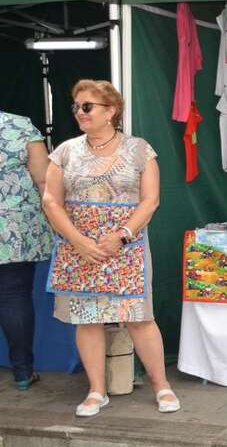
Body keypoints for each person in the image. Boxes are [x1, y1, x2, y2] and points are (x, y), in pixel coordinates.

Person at [42, 80, 180, 417]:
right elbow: (50, 200)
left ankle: (162, 386)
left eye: (87, 106)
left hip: (126, 248)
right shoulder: (65, 152)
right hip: (79, 249)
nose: (80, 112)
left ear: (111, 111)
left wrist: (121, 235)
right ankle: (96, 391)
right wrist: (78, 241)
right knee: (86, 319)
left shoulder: (139, 150)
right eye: (76, 106)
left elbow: (150, 200)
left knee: (138, 317)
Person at [0, 110, 52, 390]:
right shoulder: (20, 126)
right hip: (14, 229)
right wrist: (57, 222)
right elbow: (43, 180)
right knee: (14, 295)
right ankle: (22, 372)